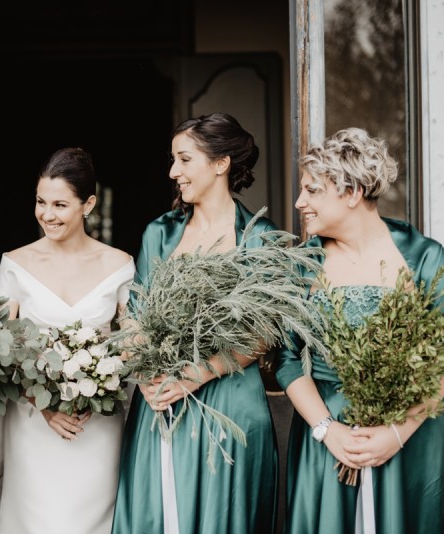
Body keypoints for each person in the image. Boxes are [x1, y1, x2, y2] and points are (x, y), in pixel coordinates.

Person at [112, 112, 278, 534]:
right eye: (173, 160)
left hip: (230, 404)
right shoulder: (160, 233)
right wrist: (147, 377)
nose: (173, 172)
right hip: (160, 401)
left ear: (220, 163)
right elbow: (135, 314)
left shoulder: (257, 237)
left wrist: (193, 376)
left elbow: (261, 334)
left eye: (184, 160)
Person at [276, 127, 444, 533]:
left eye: (312, 190)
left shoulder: (422, 257)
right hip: (327, 437)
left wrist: (397, 433)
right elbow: (285, 360)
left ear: (351, 192)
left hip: (410, 437)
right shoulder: (303, 264)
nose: (300, 203)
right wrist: (326, 430)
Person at [0, 147, 134, 534]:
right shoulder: (16, 263)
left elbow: (135, 344)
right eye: (40, 202)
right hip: (34, 423)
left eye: (60, 204)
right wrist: (44, 404)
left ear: (88, 204)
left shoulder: (120, 265)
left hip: (97, 425)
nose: (47, 215)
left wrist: (106, 378)